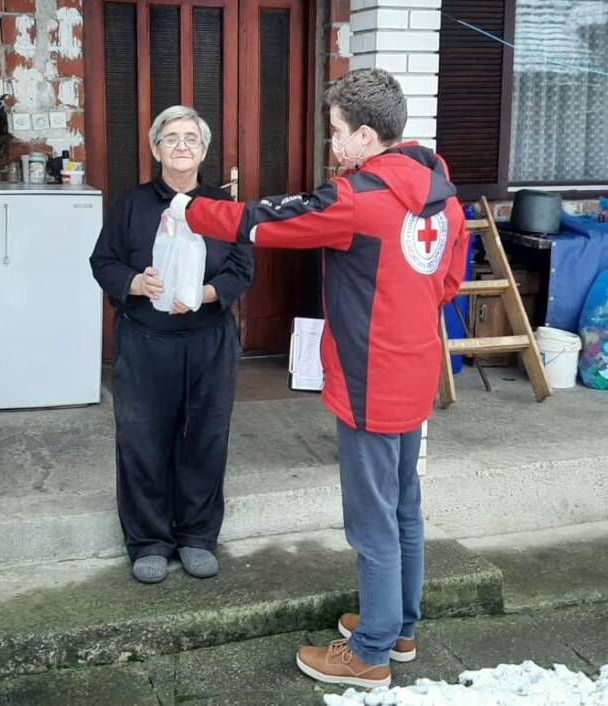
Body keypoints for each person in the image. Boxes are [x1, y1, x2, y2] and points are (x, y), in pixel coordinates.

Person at [170, 69, 470, 687]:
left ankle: (371, 653)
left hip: (368, 378)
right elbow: (447, 284)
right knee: (404, 508)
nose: (332, 145)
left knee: (370, 520)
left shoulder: (358, 197)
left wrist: (192, 209)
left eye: (336, 132)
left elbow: (264, 222)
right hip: (414, 370)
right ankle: (400, 626)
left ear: (365, 135)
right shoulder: (444, 195)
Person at [90, 105, 254, 585]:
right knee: (143, 439)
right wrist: (137, 284)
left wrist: (203, 294)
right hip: (146, 342)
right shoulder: (133, 205)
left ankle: (198, 537)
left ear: (203, 151)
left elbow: (242, 268)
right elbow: (103, 262)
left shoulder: (224, 209)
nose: (181, 146)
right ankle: (149, 541)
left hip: (208, 340)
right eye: (171, 138)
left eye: (191, 138)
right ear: (155, 148)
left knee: (205, 437)